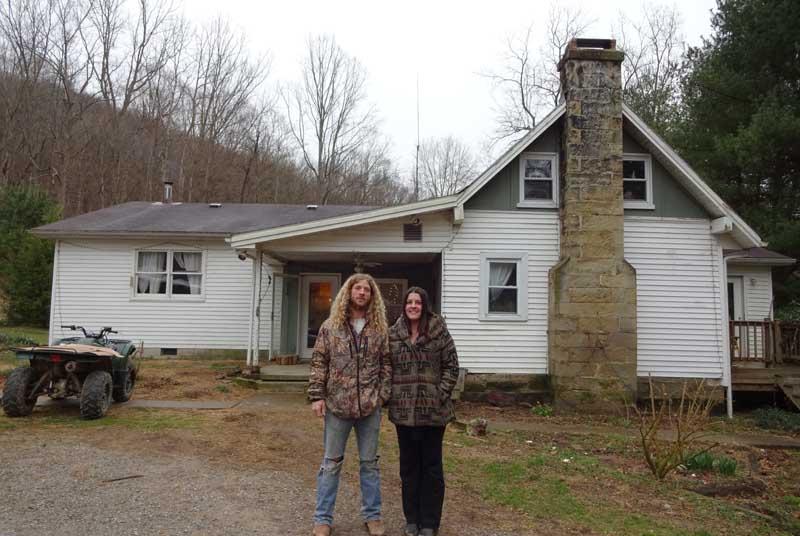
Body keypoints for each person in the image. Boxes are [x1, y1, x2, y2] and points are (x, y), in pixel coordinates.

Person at [308, 273, 392, 536]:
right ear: (349, 292)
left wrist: (382, 395)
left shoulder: (379, 329)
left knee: (370, 464)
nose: (362, 293)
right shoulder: (330, 326)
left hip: (369, 408)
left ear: (372, 296)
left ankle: (373, 516)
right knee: (331, 463)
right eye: (358, 288)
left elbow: (387, 364)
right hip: (337, 407)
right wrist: (317, 396)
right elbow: (319, 362)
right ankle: (323, 518)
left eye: (367, 289)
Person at [388, 287, 460, 536]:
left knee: (431, 468)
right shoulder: (394, 335)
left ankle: (429, 522)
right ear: (404, 306)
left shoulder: (439, 331)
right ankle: (412, 519)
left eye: (418, 302)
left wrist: (440, 393)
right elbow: (386, 367)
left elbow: (452, 365)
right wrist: (390, 396)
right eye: (409, 302)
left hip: (433, 414)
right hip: (404, 412)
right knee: (408, 468)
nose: (413, 306)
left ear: (425, 305)